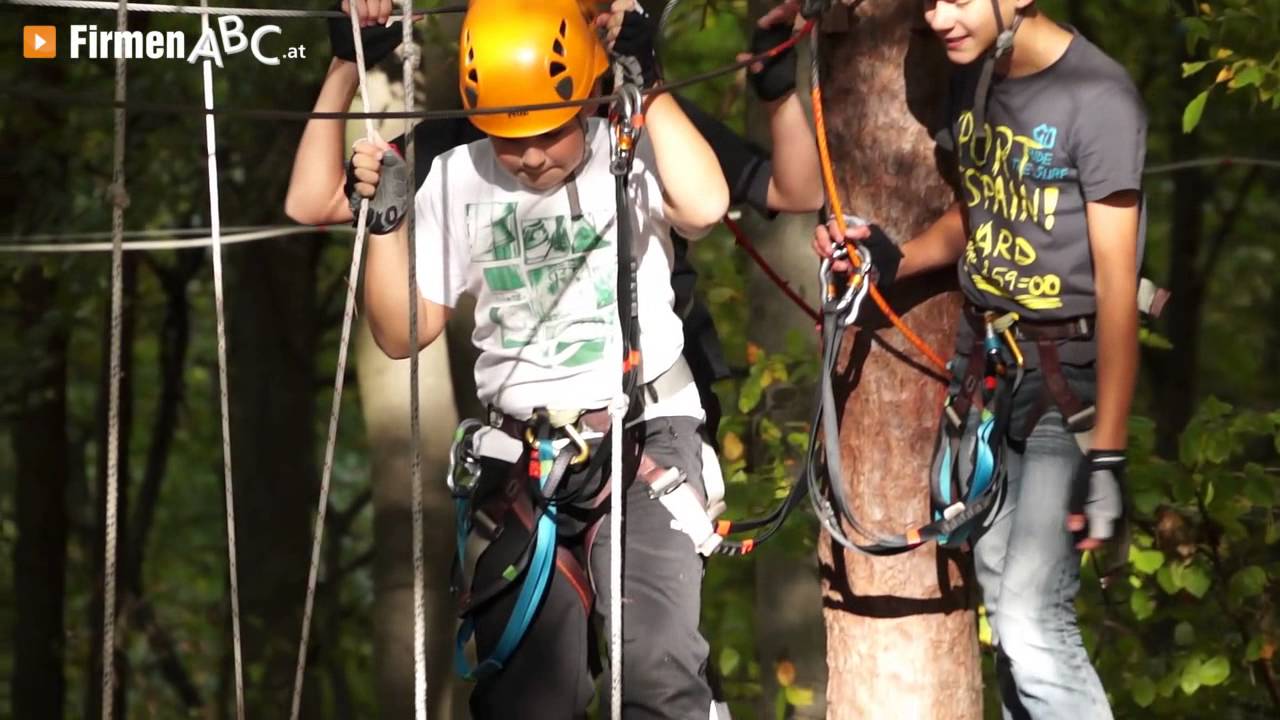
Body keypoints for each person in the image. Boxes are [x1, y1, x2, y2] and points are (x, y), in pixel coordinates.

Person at [349, 0, 736, 716]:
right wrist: (384, 223)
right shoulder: (457, 177)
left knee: (653, 664)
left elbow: (707, 206)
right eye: (508, 139)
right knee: (526, 696)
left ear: (588, 92)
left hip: (644, 437)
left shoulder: (630, 141)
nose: (530, 155)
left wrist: (646, 80)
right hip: (522, 460)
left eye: (549, 133)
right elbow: (402, 333)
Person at [814, 1, 1146, 717]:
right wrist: (888, 260)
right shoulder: (980, 73)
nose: (939, 18)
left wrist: (1109, 459)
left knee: (1031, 618)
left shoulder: (1099, 97)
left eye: (959, 0)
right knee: (999, 586)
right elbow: (981, 209)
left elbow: (1120, 291)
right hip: (990, 371)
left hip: (1070, 379)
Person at [284, 0, 823, 439]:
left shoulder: (636, 121)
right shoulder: (465, 148)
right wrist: (346, 67)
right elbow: (315, 202)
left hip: (655, 402)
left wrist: (775, 95)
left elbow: (793, 191)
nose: (532, 154)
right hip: (531, 424)